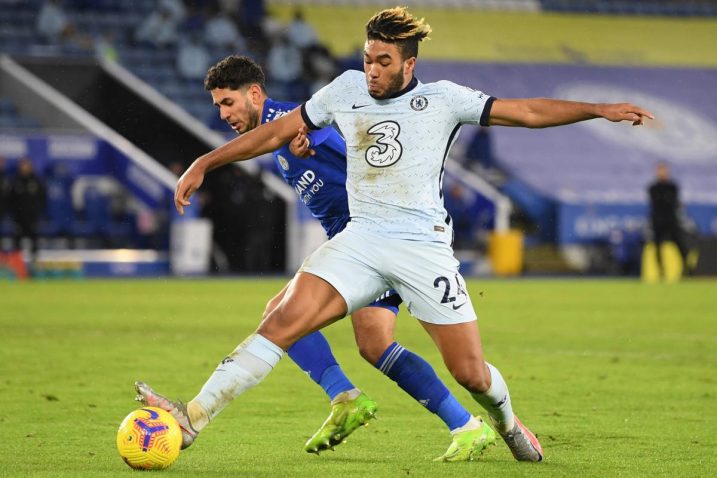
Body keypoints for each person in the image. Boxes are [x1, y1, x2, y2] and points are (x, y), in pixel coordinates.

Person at [144, 6, 653, 463]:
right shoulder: (345, 89)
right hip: (360, 239)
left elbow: (527, 111)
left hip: (422, 247)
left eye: (383, 61)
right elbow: (278, 131)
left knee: (471, 373)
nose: (372, 70)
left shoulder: (444, 100)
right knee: (279, 322)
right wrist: (204, 163)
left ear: (409, 64)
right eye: (368, 58)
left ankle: (505, 422)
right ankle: (192, 419)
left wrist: (598, 108)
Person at [138, 55, 491, 462]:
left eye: (228, 103)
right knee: (373, 343)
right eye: (218, 106)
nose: (223, 114)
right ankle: (455, 423)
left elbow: (354, 134)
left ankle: (342, 400)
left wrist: (209, 162)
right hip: (362, 242)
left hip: (377, 238)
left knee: (285, 316)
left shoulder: (296, 121)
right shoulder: (282, 132)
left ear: (254, 93)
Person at [647, 161, 690, 274]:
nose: (662, 173)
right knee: (657, 246)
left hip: (671, 220)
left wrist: (667, 201)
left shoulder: (672, 186)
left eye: (664, 170)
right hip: (658, 221)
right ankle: (661, 270)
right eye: (660, 171)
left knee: (680, 243)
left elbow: (673, 202)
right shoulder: (653, 187)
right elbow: (658, 202)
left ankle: (687, 268)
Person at [8, 157, 46, 263]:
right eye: (23, 165)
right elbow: (10, 200)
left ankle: (35, 262)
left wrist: (37, 212)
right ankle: (16, 263)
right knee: (17, 241)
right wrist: (14, 214)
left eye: (26, 165)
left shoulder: (36, 181)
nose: (24, 167)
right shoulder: (15, 181)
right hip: (19, 217)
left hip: (32, 217)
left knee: (34, 239)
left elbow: (42, 198)